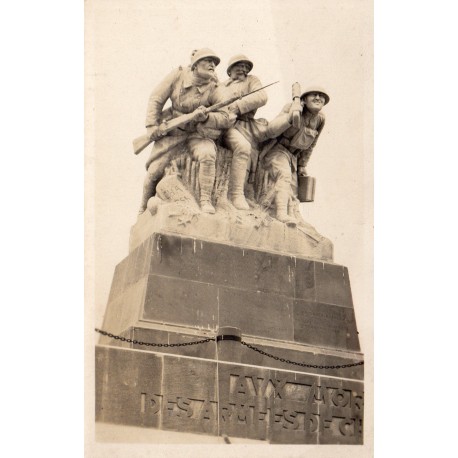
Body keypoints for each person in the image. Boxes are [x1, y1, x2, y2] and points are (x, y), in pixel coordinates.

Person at [139, 48, 235, 215]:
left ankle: (205, 199)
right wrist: (151, 126)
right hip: (173, 130)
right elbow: (156, 98)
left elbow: (227, 117)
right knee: (154, 170)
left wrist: (206, 118)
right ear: (195, 65)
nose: (213, 64)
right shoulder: (178, 75)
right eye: (208, 60)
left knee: (208, 154)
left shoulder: (215, 87)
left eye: (215, 62)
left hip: (197, 133)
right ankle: (142, 208)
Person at [261, 87, 329, 223]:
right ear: (304, 99)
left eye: (321, 96)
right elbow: (271, 130)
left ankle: (290, 216)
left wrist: (302, 165)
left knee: (293, 191)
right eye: (314, 95)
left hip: (293, 157)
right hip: (277, 150)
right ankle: (280, 214)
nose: (318, 98)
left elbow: (311, 144)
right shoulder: (291, 107)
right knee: (284, 176)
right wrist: (290, 117)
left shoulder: (320, 119)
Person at [221, 54, 268, 210]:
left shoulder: (251, 81)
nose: (242, 69)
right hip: (219, 125)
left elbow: (262, 96)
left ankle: (237, 195)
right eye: (238, 66)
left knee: (243, 147)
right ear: (230, 70)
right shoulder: (220, 86)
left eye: (246, 67)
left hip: (240, 126)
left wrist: (238, 106)